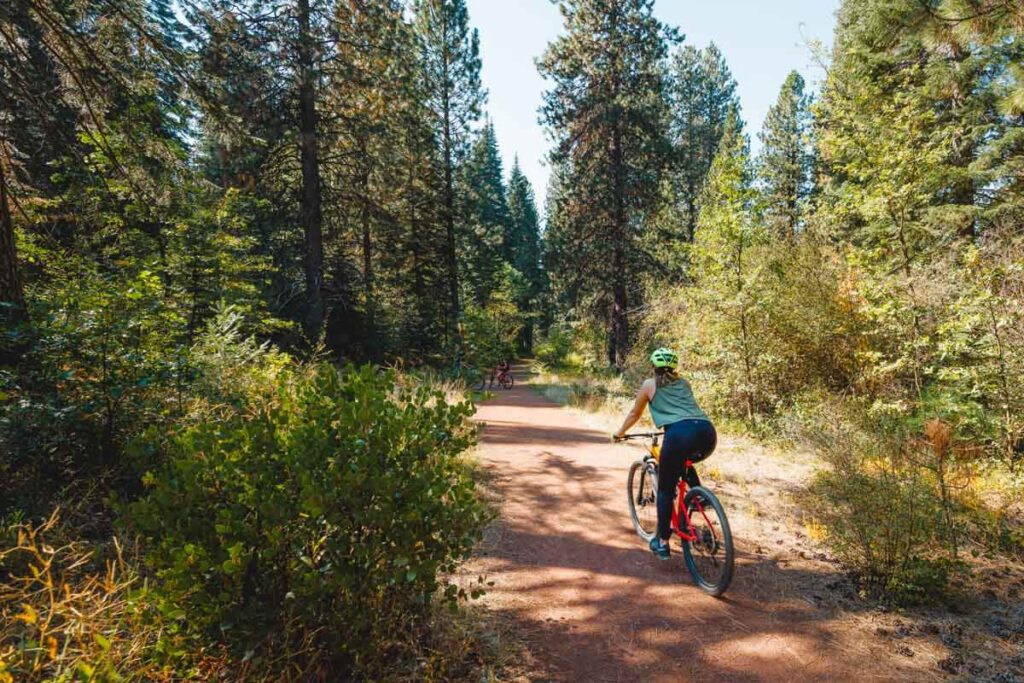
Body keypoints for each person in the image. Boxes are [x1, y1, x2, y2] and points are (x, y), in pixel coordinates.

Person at [613, 348, 716, 560]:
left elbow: (635, 413)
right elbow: (684, 409)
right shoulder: (684, 383)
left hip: (678, 435)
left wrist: (620, 433)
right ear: (674, 366)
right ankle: (698, 495)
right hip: (707, 433)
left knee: (665, 489)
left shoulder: (649, 385)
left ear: (653, 366)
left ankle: (661, 541)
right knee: (684, 461)